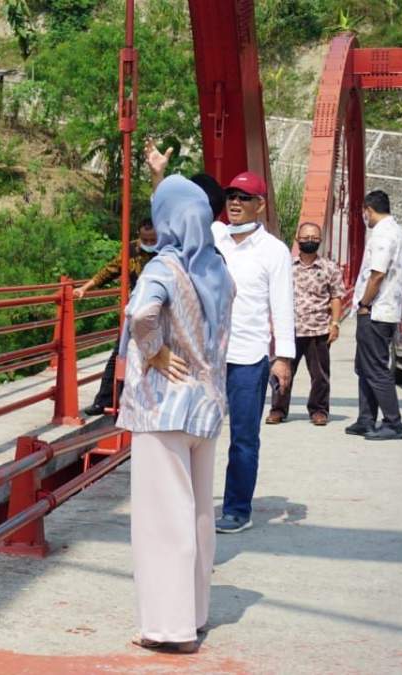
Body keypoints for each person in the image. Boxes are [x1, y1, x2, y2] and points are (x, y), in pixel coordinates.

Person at [118, 175, 234, 654]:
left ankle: (170, 628)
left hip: (163, 406)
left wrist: (153, 351)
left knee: (163, 518)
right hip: (205, 405)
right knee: (200, 513)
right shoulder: (216, 268)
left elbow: (142, 314)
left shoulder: (163, 268)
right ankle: (196, 612)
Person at [212, 171, 296, 535]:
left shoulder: (274, 251)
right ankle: (197, 506)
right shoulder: (215, 238)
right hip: (208, 356)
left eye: (244, 197)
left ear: (260, 205)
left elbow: (282, 308)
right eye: (231, 195)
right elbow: (171, 228)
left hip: (248, 358)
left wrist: (283, 358)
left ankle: (236, 509)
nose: (235, 202)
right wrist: (158, 178)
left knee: (243, 437)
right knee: (195, 434)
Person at [76, 219, 158, 417]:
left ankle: (148, 403)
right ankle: (105, 401)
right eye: (144, 238)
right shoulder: (131, 250)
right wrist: (85, 288)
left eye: (152, 239)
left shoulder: (167, 251)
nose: (148, 242)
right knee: (118, 355)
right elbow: (110, 270)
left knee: (153, 355)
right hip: (136, 309)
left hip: (159, 311)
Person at [267, 222, 345, 426]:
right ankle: (278, 410)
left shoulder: (329, 268)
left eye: (314, 238)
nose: (309, 241)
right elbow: (273, 295)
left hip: (318, 329)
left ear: (319, 240)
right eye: (305, 238)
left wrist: (335, 324)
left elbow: (337, 296)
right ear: (297, 240)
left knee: (320, 376)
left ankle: (319, 411)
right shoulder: (286, 267)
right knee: (282, 373)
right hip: (290, 330)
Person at [347, 190, 402, 441]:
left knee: (375, 368)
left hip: (376, 312)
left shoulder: (384, 234)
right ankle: (366, 419)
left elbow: (377, 274)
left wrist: (364, 303)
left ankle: (393, 423)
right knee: (364, 367)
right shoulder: (395, 231)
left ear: (368, 210)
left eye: (364, 212)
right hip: (381, 311)